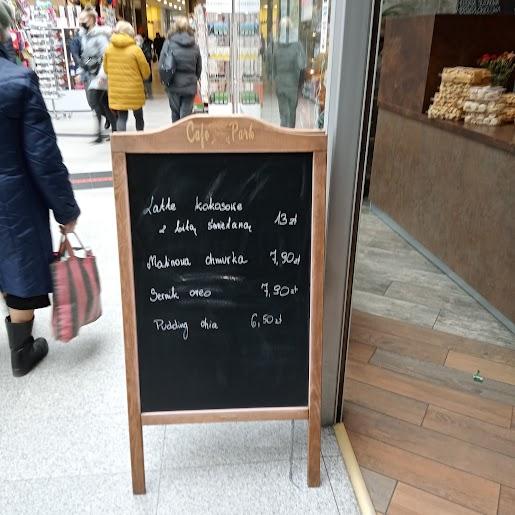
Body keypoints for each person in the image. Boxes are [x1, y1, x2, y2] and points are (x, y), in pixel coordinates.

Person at [0, 0, 80, 376]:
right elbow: (43, 157)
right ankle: (22, 350)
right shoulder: (17, 81)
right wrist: (66, 210)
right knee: (17, 263)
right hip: (12, 198)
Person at [78, 8, 117, 142]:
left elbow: (105, 56)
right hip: (91, 74)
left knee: (95, 102)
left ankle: (105, 133)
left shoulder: (100, 35)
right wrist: (82, 71)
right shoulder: (84, 36)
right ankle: (113, 131)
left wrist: (102, 75)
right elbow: (85, 56)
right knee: (103, 103)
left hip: (100, 75)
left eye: (83, 19)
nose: (81, 22)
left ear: (91, 20)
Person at [103, 21, 150, 132]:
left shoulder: (108, 49)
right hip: (134, 90)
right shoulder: (135, 49)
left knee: (122, 117)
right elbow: (145, 71)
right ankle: (140, 136)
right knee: (138, 116)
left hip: (117, 90)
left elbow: (106, 69)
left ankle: (122, 141)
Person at [160, 16, 202, 122]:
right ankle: (184, 129)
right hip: (189, 85)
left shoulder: (168, 43)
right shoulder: (194, 45)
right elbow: (199, 67)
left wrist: (165, 81)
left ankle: (176, 131)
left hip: (173, 84)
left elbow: (162, 65)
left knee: (175, 113)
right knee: (186, 115)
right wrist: (193, 79)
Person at [272, 17, 306, 128]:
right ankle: (291, 134)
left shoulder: (276, 45)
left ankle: (283, 135)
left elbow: (272, 66)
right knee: (291, 114)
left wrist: (275, 79)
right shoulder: (297, 45)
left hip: (280, 84)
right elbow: (302, 64)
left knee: (283, 115)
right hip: (292, 84)